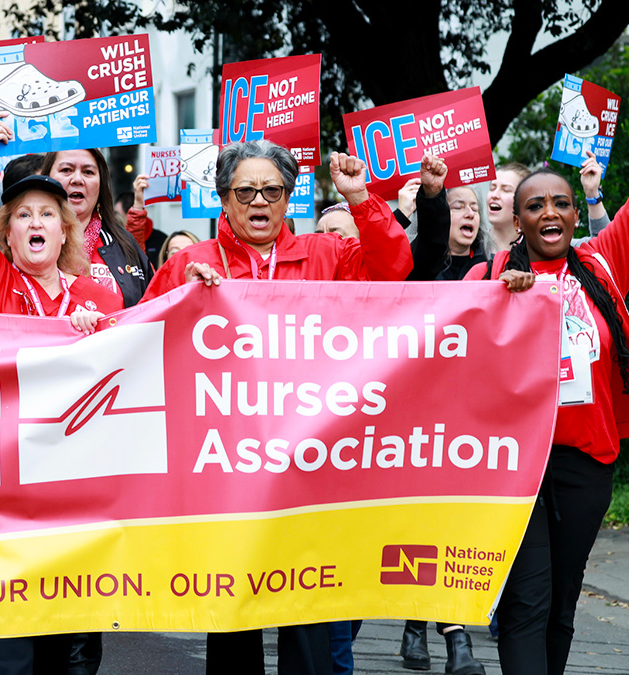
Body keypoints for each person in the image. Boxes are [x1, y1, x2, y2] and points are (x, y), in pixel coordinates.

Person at [141, 139, 413, 675]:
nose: (259, 201)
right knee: (234, 630)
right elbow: (141, 343)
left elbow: (393, 268)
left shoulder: (326, 254)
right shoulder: (190, 264)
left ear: (289, 197)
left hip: (308, 472)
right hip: (227, 474)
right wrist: (181, 303)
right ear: (224, 197)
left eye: (272, 190)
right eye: (246, 191)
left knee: (308, 623)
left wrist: (360, 197)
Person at [465, 41, 629, 675]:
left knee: (562, 603)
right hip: (512, 465)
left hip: (587, 460)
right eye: (534, 205)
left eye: (559, 203)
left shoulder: (602, 267)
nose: (549, 212)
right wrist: (501, 302)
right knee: (525, 600)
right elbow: (439, 344)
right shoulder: (487, 277)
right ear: (517, 221)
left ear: (575, 213)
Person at [0, 89, 121, 675]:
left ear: (67, 232)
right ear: (7, 235)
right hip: (4, 496)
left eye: (48, 213)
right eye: (22, 215)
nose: (36, 222)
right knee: (10, 651)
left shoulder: (97, 295)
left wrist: (103, 338)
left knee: (72, 653)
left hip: (75, 495)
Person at [397, 156, 488, 675]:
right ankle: (447, 635)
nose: (467, 214)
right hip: (416, 418)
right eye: (457, 205)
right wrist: (420, 208)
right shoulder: (421, 265)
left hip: (467, 420)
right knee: (424, 522)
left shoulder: (495, 272)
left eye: (472, 207)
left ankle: (430, 627)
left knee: (449, 526)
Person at [41, 149, 152, 308]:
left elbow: (154, 304)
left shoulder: (125, 245)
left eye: (88, 172)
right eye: (66, 170)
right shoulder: (26, 240)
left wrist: (189, 285)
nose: (77, 179)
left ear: (101, 185)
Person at [118, 175, 168, 266]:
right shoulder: (115, 240)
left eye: (117, 215)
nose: (115, 219)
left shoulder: (161, 240)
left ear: (129, 214)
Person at [485, 163, 529, 254]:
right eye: (492, 188)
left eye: (506, 190)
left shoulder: (536, 251)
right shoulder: (473, 246)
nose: (494, 195)